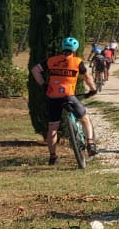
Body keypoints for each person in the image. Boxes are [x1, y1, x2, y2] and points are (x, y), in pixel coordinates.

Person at [31, 37, 98, 166]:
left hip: (53, 97)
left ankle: (53, 157)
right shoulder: (77, 62)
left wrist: (43, 85)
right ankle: (90, 143)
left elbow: (35, 70)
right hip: (69, 96)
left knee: (52, 127)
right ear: (75, 49)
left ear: (62, 48)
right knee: (85, 118)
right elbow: (87, 77)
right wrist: (92, 89)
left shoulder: (51, 60)